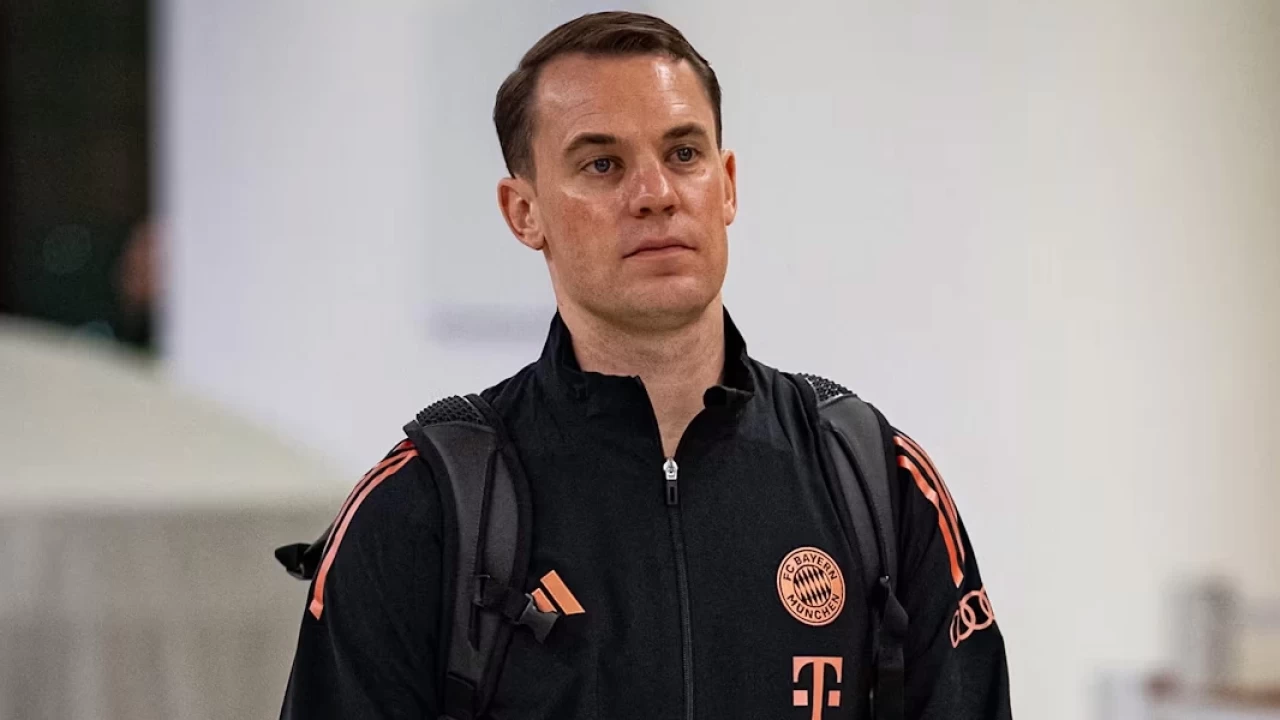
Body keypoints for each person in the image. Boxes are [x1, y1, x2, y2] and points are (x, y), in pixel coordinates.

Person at [280, 11, 1011, 720]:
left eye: (684, 154)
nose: (656, 195)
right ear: (523, 212)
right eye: (602, 164)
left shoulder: (875, 479)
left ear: (727, 184)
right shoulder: (425, 507)